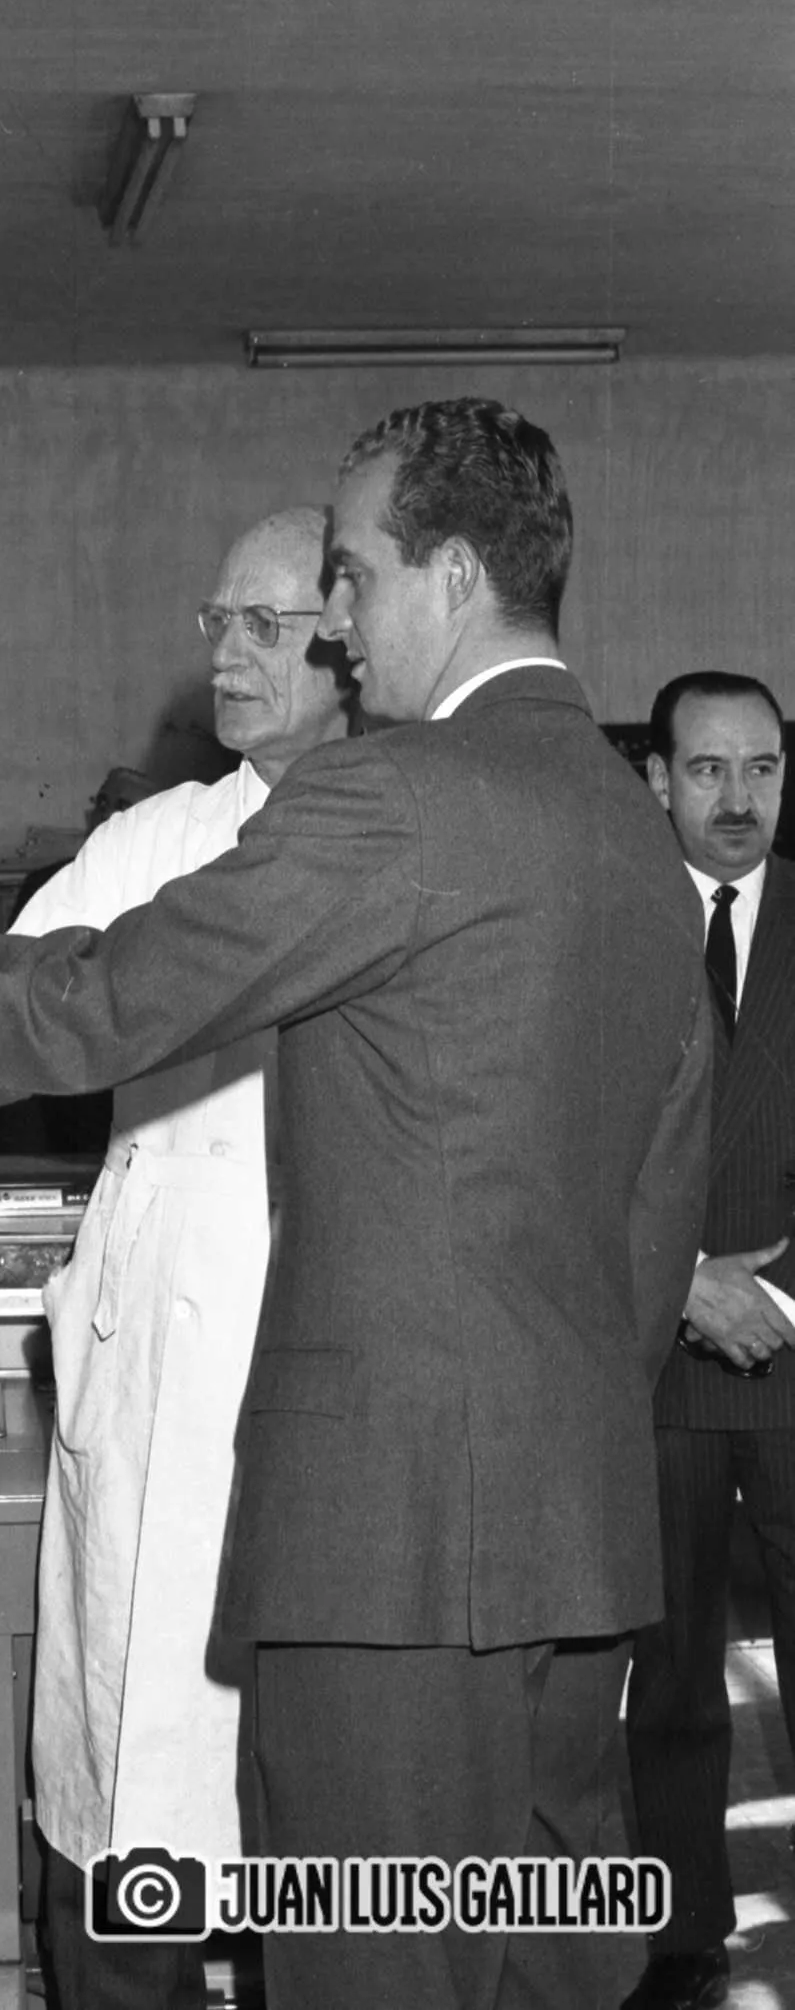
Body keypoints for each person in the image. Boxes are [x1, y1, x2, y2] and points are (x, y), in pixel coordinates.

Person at [0, 397, 712, 2010]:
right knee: (536, 1967)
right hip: (572, 1545)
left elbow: (84, 1001)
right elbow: (658, 1212)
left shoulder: (399, 797)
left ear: (451, 574)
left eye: (349, 576)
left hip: (387, 1552)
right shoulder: (634, 833)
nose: (335, 623)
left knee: (373, 1975)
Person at [0, 508, 350, 2010]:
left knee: (322, 1839)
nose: (226, 652)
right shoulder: (153, 844)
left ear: (355, 639)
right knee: (125, 1804)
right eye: (216, 619)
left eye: (267, 625)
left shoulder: (411, 833)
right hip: (154, 1359)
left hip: (327, 1371)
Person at [623, 673, 795, 2010]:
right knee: (670, 1675)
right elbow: (557, 1142)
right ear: (655, 779)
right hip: (656, 1357)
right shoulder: (604, 928)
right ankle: (679, 1938)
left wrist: (781, 1301)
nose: (737, 799)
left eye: (762, 769)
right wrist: (681, 1283)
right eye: (706, 769)